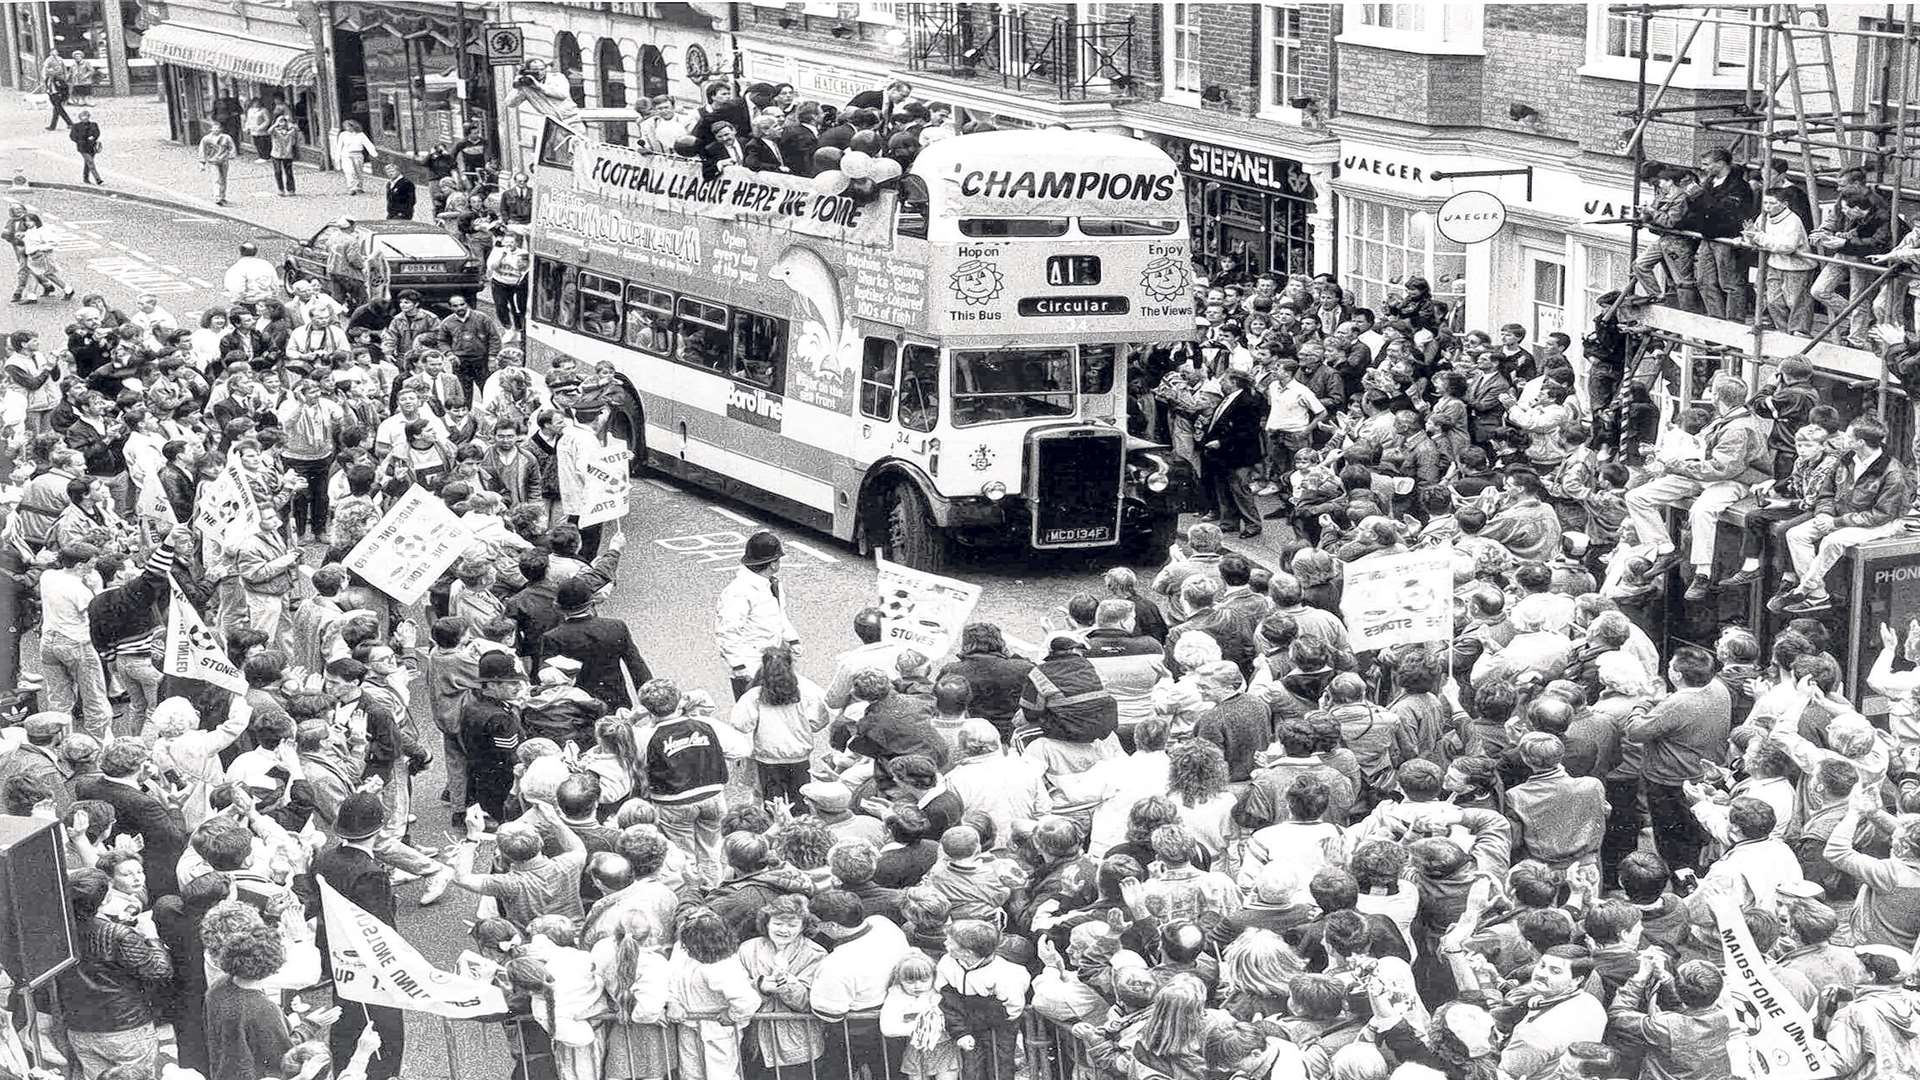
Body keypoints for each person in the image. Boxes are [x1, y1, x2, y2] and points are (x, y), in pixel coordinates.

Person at [717, 530, 802, 699]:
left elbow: (779, 615)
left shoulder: (771, 584)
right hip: (751, 666)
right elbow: (727, 631)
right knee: (753, 717)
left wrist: (792, 639)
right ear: (773, 564)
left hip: (775, 663)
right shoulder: (738, 591)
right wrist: (739, 666)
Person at [198, 119, 238, 206]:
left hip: (224, 160)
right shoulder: (206, 139)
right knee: (216, 179)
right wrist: (202, 163)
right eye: (214, 128)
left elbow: (232, 147)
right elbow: (202, 151)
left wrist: (232, 155)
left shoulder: (226, 138)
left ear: (221, 129)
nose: (216, 129)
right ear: (211, 129)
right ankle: (217, 197)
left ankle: (223, 196)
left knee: (223, 179)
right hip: (212, 161)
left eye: (218, 128)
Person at [335, 120, 378, 195]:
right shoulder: (343, 135)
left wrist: (374, 153)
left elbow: (367, 144)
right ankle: (351, 187)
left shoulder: (360, 135)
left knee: (358, 171)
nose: (347, 128)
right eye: (346, 127)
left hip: (358, 154)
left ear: (354, 126)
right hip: (346, 155)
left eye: (349, 126)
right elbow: (339, 147)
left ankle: (359, 187)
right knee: (350, 171)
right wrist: (337, 158)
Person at [268, 109, 301, 196]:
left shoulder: (291, 131)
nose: (282, 123)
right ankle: (280, 189)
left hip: (287, 154)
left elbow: (297, 129)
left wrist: (289, 121)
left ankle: (291, 189)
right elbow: (269, 131)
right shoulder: (275, 131)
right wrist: (276, 124)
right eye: (280, 121)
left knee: (289, 172)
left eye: (284, 121)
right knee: (278, 172)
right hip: (276, 154)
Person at [70, 107, 103, 186]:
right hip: (83, 147)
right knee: (90, 162)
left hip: (92, 147)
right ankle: (97, 179)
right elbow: (72, 136)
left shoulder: (94, 124)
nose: (84, 119)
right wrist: (80, 141)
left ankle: (85, 178)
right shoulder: (76, 126)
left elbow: (97, 133)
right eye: (83, 117)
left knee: (88, 163)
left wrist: (93, 137)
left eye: (86, 117)